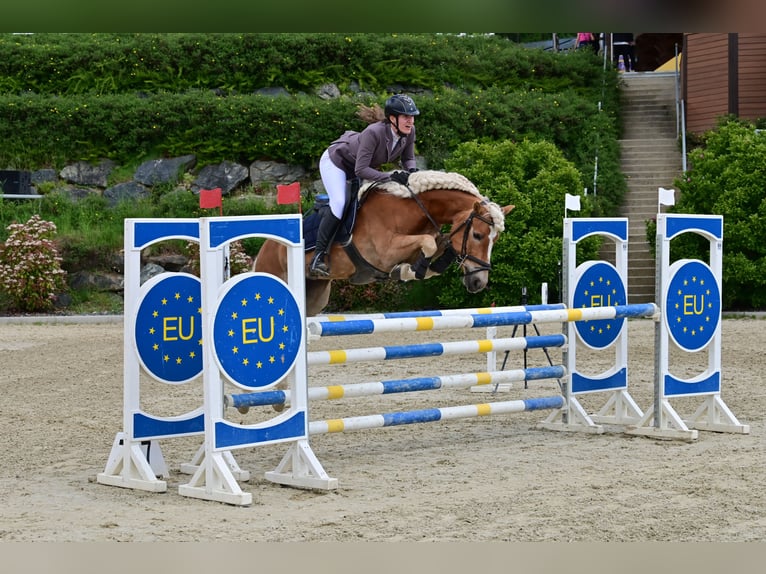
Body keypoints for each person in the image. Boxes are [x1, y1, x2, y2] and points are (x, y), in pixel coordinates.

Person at [308, 93, 420, 278]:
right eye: (406, 117)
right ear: (393, 118)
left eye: (412, 116)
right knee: (339, 203)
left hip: (360, 166)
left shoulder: (409, 132)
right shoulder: (373, 132)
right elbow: (361, 170)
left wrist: (413, 171)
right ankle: (318, 256)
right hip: (337, 163)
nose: (410, 121)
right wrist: (390, 176)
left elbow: (408, 158)